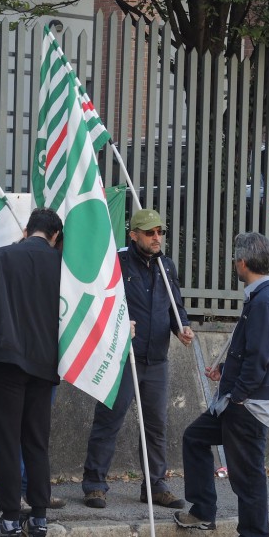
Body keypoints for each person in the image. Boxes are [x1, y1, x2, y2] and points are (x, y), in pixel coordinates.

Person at [175, 231, 269, 537]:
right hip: (238, 398)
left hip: (247, 404)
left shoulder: (265, 301)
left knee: (247, 473)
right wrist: (226, 371)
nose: (233, 264)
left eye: (234, 259)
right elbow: (256, 353)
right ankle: (202, 511)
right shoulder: (264, 297)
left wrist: (238, 393)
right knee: (195, 437)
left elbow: (260, 357)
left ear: (242, 262)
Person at [81, 208, 194, 510]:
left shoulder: (166, 266)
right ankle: (94, 485)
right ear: (133, 235)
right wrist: (118, 326)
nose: (157, 238)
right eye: (150, 233)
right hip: (122, 358)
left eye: (160, 232)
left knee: (156, 426)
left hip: (156, 360)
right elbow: (100, 304)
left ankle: (155, 486)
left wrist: (181, 327)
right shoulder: (117, 263)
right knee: (109, 420)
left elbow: (175, 305)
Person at [0, 208, 63, 537]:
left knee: (6, 440)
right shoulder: (63, 267)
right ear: (55, 236)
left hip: (4, 360)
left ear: (27, 230)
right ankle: (38, 520)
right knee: (36, 440)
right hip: (45, 364)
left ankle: (9, 521)